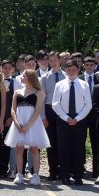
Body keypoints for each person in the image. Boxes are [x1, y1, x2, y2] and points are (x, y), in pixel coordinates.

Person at [4, 69, 51, 186]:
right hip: (19, 122)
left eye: (24, 75)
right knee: (19, 148)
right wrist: (16, 122)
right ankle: (19, 174)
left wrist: (28, 125)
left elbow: (37, 110)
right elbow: (13, 109)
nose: (21, 77)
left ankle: (35, 174)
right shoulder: (17, 92)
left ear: (30, 77)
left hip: (33, 123)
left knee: (34, 149)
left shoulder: (39, 93)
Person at [51, 59, 92, 185]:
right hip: (64, 120)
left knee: (78, 149)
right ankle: (65, 176)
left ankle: (78, 176)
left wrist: (77, 118)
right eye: (69, 69)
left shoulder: (84, 85)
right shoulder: (60, 85)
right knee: (64, 149)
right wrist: (66, 118)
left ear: (78, 70)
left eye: (74, 69)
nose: (71, 71)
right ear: (66, 70)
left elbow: (88, 104)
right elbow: (55, 104)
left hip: (79, 121)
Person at [40, 52, 64, 181]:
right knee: (51, 142)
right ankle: (53, 170)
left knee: (63, 141)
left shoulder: (66, 76)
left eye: (55, 60)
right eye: (51, 61)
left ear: (59, 60)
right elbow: (43, 98)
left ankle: (63, 170)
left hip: (63, 110)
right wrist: (43, 116)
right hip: (49, 110)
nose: (53, 62)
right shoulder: (45, 77)